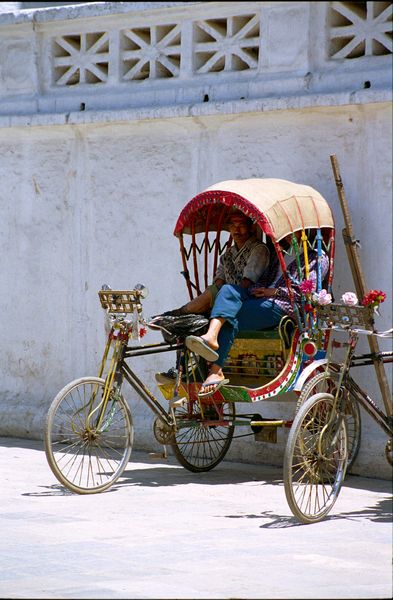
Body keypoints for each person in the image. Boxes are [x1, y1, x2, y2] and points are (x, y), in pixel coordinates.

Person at [185, 232, 330, 396]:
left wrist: (273, 292)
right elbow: (262, 280)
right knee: (227, 291)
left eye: (295, 232)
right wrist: (258, 290)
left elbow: (306, 293)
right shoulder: (279, 254)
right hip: (260, 298)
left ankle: (216, 369)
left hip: (284, 305)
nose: (289, 236)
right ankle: (211, 336)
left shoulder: (317, 258)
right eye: (287, 232)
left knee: (232, 314)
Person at [163, 210, 273, 317]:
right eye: (233, 226)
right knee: (214, 290)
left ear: (250, 227)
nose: (237, 230)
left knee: (218, 291)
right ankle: (183, 313)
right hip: (226, 295)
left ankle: (179, 313)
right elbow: (219, 281)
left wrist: (225, 297)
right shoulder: (229, 253)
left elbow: (247, 282)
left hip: (249, 296)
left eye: (242, 225)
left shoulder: (259, 249)